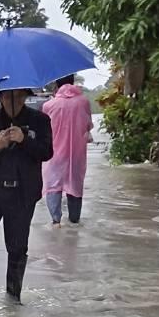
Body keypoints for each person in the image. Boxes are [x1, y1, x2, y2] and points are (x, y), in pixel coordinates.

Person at [0, 86, 53, 307]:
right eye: (6, 96)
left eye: (16, 96)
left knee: (17, 246)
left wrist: (24, 140)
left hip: (22, 192)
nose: (10, 100)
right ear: (0, 98)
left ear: (25, 96)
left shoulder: (40, 120)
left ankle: (13, 296)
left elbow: (47, 152)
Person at [42, 81, 93, 225]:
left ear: (57, 85)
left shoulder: (48, 106)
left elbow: (44, 129)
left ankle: (56, 221)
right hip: (77, 154)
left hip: (54, 154)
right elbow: (88, 125)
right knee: (75, 184)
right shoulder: (84, 102)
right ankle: (74, 220)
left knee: (53, 186)